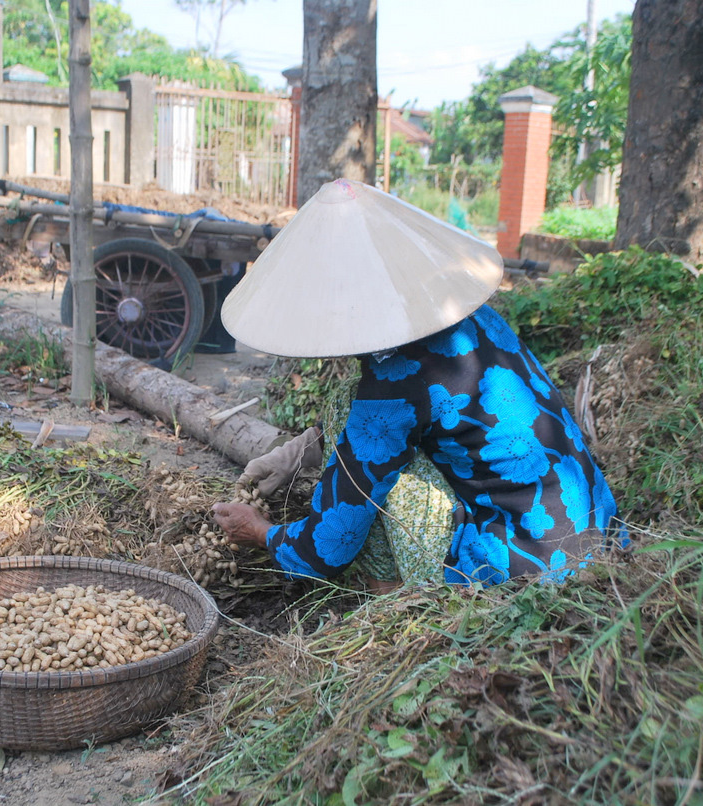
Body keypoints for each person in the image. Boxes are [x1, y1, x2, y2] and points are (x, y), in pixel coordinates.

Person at [211, 179, 627, 588]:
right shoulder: (471, 319)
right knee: (352, 412)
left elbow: (325, 549)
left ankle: (390, 592)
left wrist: (261, 531)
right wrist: (301, 451)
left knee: (355, 430)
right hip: (594, 529)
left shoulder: (393, 386)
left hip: (528, 564)